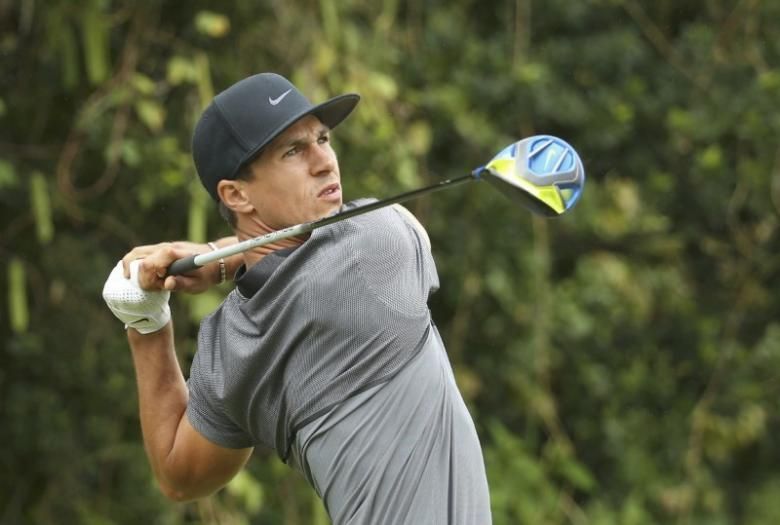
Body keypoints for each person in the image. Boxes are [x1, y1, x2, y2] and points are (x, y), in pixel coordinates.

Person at [102, 72, 492, 524]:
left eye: (323, 138)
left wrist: (146, 324)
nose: (325, 161)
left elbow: (179, 475)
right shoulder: (380, 243)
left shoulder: (230, 347)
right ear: (236, 194)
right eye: (293, 150)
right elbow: (390, 230)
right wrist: (219, 260)